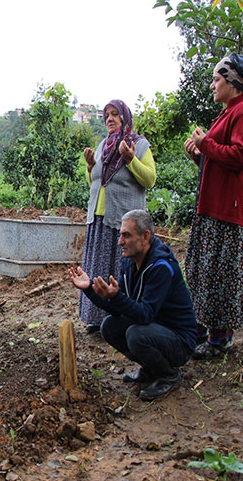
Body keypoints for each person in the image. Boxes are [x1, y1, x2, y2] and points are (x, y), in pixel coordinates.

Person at [68, 210, 197, 401]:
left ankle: (168, 374)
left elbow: (144, 315)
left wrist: (117, 296)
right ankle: (151, 367)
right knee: (109, 326)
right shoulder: (130, 262)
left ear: (145, 236)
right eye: (121, 235)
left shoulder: (161, 267)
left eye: (126, 235)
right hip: (155, 330)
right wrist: (89, 289)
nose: (120, 241)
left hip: (179, 341)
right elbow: (121, 308)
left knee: (136, 334)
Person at [183, 53, 243, 359]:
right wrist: (198, 155)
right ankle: (202, 332)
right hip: (210, 206)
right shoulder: (225, 113)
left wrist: (205, 143)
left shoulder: (241, 111)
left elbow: (238, 156)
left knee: (219, 273)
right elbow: (218, 162)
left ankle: (221, 340)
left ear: (233, 83)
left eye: (217, 79)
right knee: (203, 272)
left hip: (225, 210)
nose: (212, 85)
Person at [79, 100, 156, 334]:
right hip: (99, 219)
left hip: (123, 221)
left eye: (115, 114)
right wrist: (90, 166)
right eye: (106, 116)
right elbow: (95, 182)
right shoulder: (103, 145)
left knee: (118, 271)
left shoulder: (139, 145)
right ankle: (96, 317)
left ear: (125, 117)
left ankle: (119, 318)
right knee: (97, 268)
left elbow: (150, 180)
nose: (110, 119)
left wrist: (131, 160)